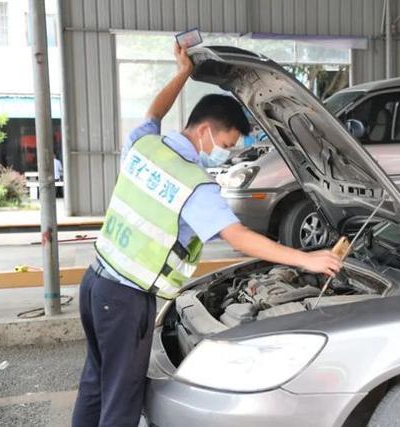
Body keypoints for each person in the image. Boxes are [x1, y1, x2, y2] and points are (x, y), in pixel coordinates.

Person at [72, 44, 342, 427]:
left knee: (96, 383)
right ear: (204, 131)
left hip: (95, 283)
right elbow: (239, 237)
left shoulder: (143, 144)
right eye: (228, 145)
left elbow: (155, 111)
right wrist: (306, 258)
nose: (226, 154)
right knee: (122, 398)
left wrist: (183, 72)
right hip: (127, 298)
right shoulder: (194, 184)